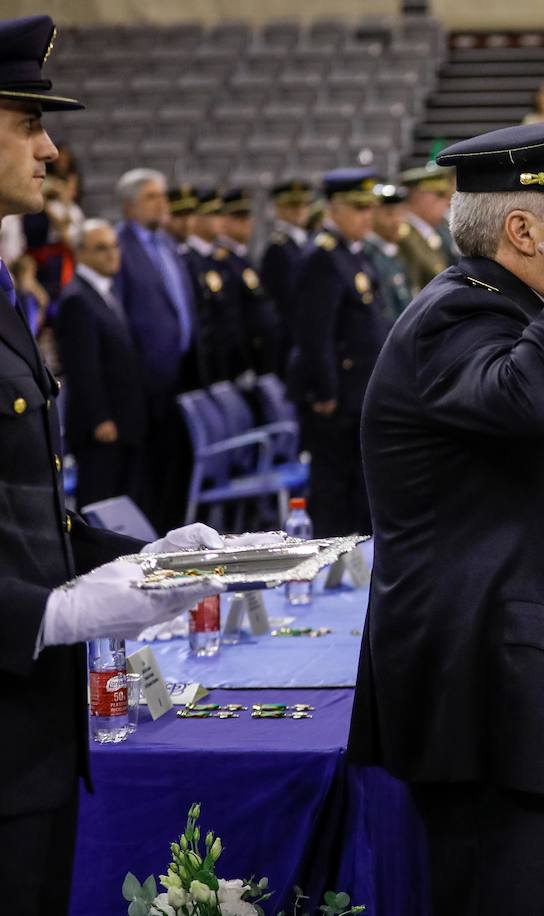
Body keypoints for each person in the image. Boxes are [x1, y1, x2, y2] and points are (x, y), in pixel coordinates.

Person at [348, 117, 544, 916]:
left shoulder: (529, 316)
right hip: (496, 709)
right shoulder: (458, 317)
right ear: (522, 229)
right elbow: (531, 403)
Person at [0, 19, 230, 913]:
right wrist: (46, 613)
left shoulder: (6, 290)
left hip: (32, 739)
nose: (51, 148)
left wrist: (132, 556)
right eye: (28, 122)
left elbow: (22, 503)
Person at [285, 168, 384, 539]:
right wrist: (325, 392)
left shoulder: (353, 253)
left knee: (356, 487)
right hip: (336, 397)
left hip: (356, 391)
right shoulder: (322, 257)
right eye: (358, 209)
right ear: (334, 210)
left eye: (369, 209)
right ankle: (328, 563)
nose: (367, 217)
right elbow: (315, 334)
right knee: (333, 490)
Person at [112, 167, 198, 530]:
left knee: (176, 468)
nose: (162, 204)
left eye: (163, 195)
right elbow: (120, 316)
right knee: (149, 471)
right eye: (152, 197)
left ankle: (175, 531)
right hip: (144, 379)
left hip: (180, 372)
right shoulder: (118, 248)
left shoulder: (166, 243)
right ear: (129, 206)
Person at [54, 219, 146, 509]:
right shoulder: (77, 298)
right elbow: (82, 367)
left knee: (119, 503)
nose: (112, 254)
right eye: (101, 248)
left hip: (121, 418)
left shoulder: (105, 291)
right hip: (101, 427)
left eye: (114, 246)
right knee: (99, 503)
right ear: (80, 253)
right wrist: (98, 418)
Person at [182, 189, 250, 386]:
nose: (220, 220)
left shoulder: (221, 257)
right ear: (196, 219)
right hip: (209, 359)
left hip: (230, 355)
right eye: (213, 214)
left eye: (221, 213)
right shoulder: (189, 260)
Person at [218, 188, 280, 378]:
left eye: (247, 216)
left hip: (260, 355)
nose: (245, 222)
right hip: (243, 358)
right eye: (237, 217)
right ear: (223, 221)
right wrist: (241, 363)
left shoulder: (244, 258)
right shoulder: (221, 261)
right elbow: (230, 317)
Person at [259, 178, 313, 373]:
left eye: (303, 204)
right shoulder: (278, 249)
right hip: (290, 338)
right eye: (292, 206)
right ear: (279, 209)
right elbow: (285, 301)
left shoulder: (304, 243)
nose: (299, 211)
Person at [397, 161, 456, 287]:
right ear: (417, 196)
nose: (448, 202)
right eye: (439, 195)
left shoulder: (436, 231)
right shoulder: (405, 238)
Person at [363, 181, 414, 322]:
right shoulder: (368, 255)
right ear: (372, 214)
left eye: (400, 213)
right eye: (390, 214)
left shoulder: (392, 252)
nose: (397, 221)